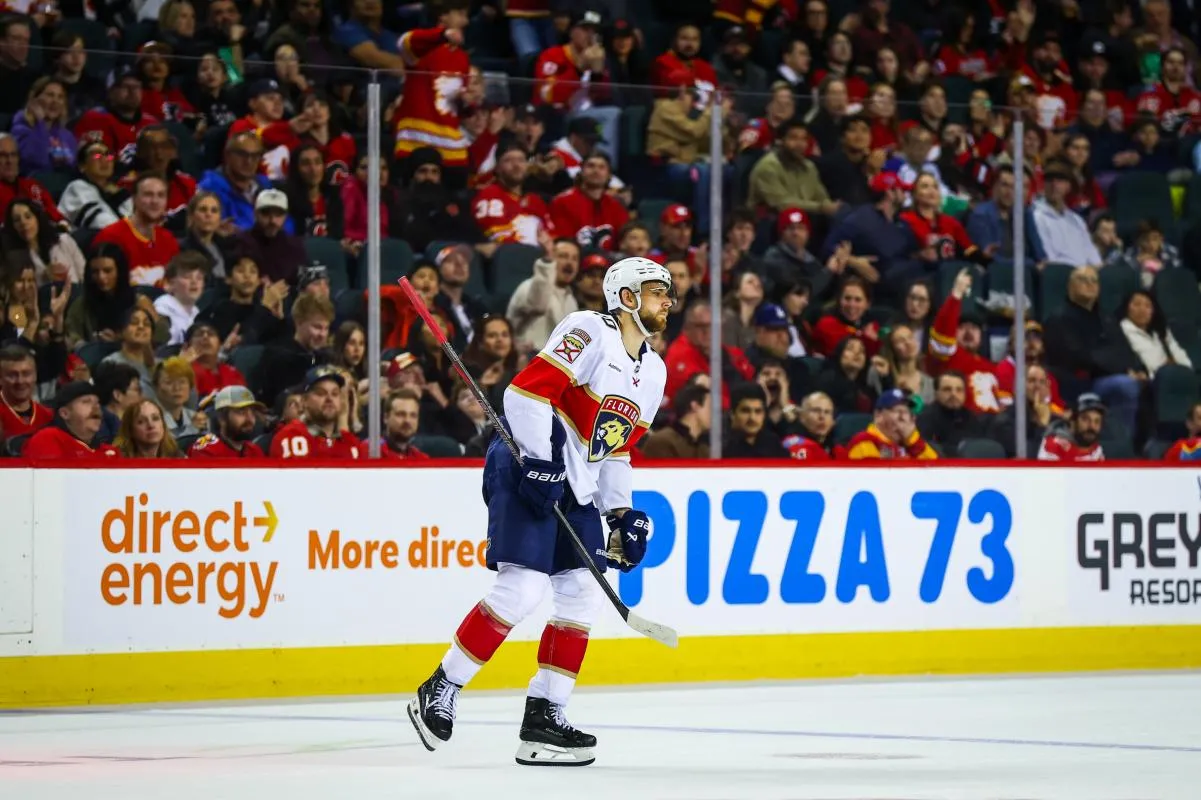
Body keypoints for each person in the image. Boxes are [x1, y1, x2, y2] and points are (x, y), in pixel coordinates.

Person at [407, 257, 672, 766]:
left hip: (577, 486)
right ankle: (439, 688)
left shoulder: (654, 371)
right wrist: (540, 461)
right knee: (522, 587)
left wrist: (621, 513)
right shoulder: (589, 329)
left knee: (581, 598)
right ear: (627, 296)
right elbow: (525, 392)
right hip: (528, 460)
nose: (667, 300)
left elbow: (615, 448)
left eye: (667, 292)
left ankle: (544, 719)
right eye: (656, 290)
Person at [1043, 266, 1144, 435]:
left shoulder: (1107, 318)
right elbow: (1079, 357)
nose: (1090, 285)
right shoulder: (1059, 318)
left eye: (1094, 281)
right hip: (1078, 382)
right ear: (1070, 286)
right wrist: (1118, 368)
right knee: (1124, 385)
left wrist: (1134, 369)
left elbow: (1124, 350)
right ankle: (1120, 443)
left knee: (1147, 383)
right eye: (1083, 280)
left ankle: (1146, 444)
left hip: (1106, 376)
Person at [392, 0, 473, 182]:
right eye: (460, 14)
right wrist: (442, 35)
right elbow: (404, 42)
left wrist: (468, 102)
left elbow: (460, 108)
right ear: (443, 16)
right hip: (416, 141)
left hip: (453, 148)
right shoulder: (424, 49)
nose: (466, 21)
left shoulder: (462, 57)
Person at [927, 269, 1002, 415]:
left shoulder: (993, 368)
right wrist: (956, 296)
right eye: (961, 328)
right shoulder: (947, 358)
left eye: (974, 328)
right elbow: (943, 332)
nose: (968, 332)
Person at [92, 174, 181, 287]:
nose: (155, 201)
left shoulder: (169, 239)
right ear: (134, 199)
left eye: (161, 195)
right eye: (148, 194)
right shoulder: (110, 237)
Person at [269, 366, 361, 459]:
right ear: (304, 401)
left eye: (335, 394)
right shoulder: (290, 436)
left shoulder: (351, 442)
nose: (329, 399)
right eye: (321, 393)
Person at [507, 236, 581, 351]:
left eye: (574, 258)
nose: (569, 263)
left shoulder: (571, 298)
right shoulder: (530, 286)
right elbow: (538, 306)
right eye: (563, 256)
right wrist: (547, 262)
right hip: (526, 358)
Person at [72, 65, 155, 167]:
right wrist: (114, 158)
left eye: (136, 86)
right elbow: (94, 157)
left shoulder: (150, 123)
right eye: (125, 86)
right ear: (111, 92)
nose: (132, 91)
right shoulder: (95, 119)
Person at [21, 381, 120, 460]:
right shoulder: (48, 438)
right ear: (65, 413)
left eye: (97, 403)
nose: (96, 407)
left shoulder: (110, 451)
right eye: (86, 402)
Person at [3, 199, 85, 287]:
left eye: (28, 216)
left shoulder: (63, 240)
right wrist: (43, 277)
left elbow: (85, 274)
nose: (23, 223)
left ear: (37, 218)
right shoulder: (12, 258)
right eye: (16, 220)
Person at [988, 364, 1063, 458]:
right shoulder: (1005, 421)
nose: (1037, 386)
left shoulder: (1056, 421)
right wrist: (1042, 426)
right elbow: (1027, 456)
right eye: (1031, 381)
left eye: (1042, 382)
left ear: (1048, 388)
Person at [234, 190, 308, 286]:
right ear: (255, 214)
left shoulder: (296, 247)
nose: (272, 220)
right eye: (266, 213)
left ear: (285, 216)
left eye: (278, 214)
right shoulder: (241, 242)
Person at [59, 142, 133, 231]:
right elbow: (100, 221)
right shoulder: (76, 187)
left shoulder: (119, 192)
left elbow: (135, 219)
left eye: (109, 156)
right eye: (97, 156)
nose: (105, 160)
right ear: (82, 166)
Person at [846, 388, 937, 460]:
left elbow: (936, 471)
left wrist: (913, 440)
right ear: (878, 415)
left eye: (907, 413)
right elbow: (876, 479)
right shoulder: (865, 441)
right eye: (898, 411)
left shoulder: (912, 443)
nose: (903, 418)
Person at [1118, 290, 1191, 378]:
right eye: (1137, 304)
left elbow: (1182, 359)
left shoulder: (1160, 330)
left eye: (1148, 306)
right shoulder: (1121, 330)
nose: (1142, 310)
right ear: (1127, 308)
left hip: (1173, 377)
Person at [11, 77, 76, 174]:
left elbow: (74, 168)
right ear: (34, 100)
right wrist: (40, 123)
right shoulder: (21, 128)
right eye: (50, 95)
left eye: (60, 97)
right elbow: (37, 160)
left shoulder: (67, 136)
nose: (55, 101)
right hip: (33, 187)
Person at [916, 371, 986, 457]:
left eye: (959, 390)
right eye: (947, 389)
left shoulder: (972, 418)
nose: (953, 394)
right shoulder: (925, 418)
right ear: (936, 393)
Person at [189, 385, 266, 458]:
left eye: (252, 412)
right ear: (222, 418)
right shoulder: (206, 450)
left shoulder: (255, 451)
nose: (250, 418)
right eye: (241, 411)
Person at [640, 381, 710, 459]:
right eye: (710, 407)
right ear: (695, 406)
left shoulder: (703, 449)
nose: (716, 414)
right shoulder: (663, 442)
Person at [723, 381, 789, 458]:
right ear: (732, 414)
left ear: (764, 414)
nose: (752, 418)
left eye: (758, 411)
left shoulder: (774, 445)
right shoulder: (720, 447)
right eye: (745, 411)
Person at [153, 252, 208, 345]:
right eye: (187, 277)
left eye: (199, 278)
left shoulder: (197, 313)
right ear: (169, 284)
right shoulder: (162, 310)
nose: (194, 282)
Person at [0, 344, 52, 441]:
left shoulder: (48, 416)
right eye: (12, 375)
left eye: (26, 374)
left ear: (35, 375)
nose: (20, 381)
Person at [1037, 393, 1106, 461]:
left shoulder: (1096, 450)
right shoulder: (1053, 445)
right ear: (1072, 421)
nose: (1092, 426)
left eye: (1097, 421)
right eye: (1085, 419)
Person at [113, 398, 184, 458]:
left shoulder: (177, 456)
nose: (151, 425)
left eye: (155, 418)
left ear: (163, 424)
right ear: (130, 430)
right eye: (141, 421)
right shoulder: (118, 460)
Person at [152, 357, 204, 439]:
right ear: (156, 387)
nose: (177, 388)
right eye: (169, 382)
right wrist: (192, 429)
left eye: (182, 382)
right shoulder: (149, 420)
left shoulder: (196, 418)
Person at [780, 391, 838, 460]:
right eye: (816, 411)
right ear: (802, 417)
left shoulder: (837, 450)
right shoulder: (794, 445)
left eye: (827, 412)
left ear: (833, 421)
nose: (822, 416)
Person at [379, 388, 430, 460]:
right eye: (401, 414)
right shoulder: (369, 452)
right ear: (386, 418)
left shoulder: (422, 459)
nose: (407, 420)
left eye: (413, 415)